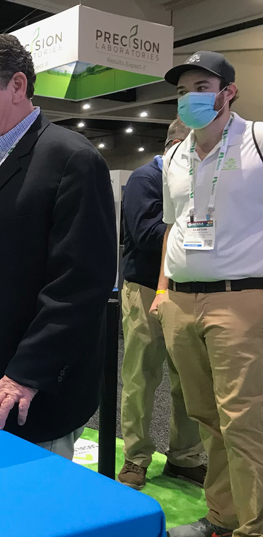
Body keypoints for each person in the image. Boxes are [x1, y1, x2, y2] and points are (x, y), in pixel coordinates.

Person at [0, 34, 116, 459]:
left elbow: (80, 285)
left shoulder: (71, 158)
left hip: (27, 394)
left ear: (17, 85)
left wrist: (25, 376)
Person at [149, 51, 263, 537]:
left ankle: (255, 527)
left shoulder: (256, 139)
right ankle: (223, 517)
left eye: (201, 87)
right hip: (180, 299)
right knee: (206, 417)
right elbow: (172, 228)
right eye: (181, 91)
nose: (188, 98)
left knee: (243, 420)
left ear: (228, 92)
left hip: (240, 298)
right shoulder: (175, 156)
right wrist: (162, 290)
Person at [118, 118, 205, 491]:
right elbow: (146, 234)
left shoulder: (199, 181)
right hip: (144, 289)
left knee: (189, 380)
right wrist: (202, 234)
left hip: (188, 293)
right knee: (142, 376)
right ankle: (136, 457)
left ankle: (185, 457)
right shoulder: (146, 179)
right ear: (174, 145)